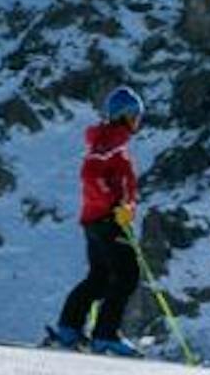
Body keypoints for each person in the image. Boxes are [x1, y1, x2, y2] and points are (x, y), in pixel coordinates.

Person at [46, 86, 145, 356]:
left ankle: (69, 328)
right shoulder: (109, 143)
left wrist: (121, 204)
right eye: (136, 115)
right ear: (124, 116)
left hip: (98, 218)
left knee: (100, 277)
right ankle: (105, 335)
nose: (138, 121)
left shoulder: (112, 141)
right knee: (127, 275)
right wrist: (114, 204)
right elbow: (91, 175)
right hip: (107, 219)